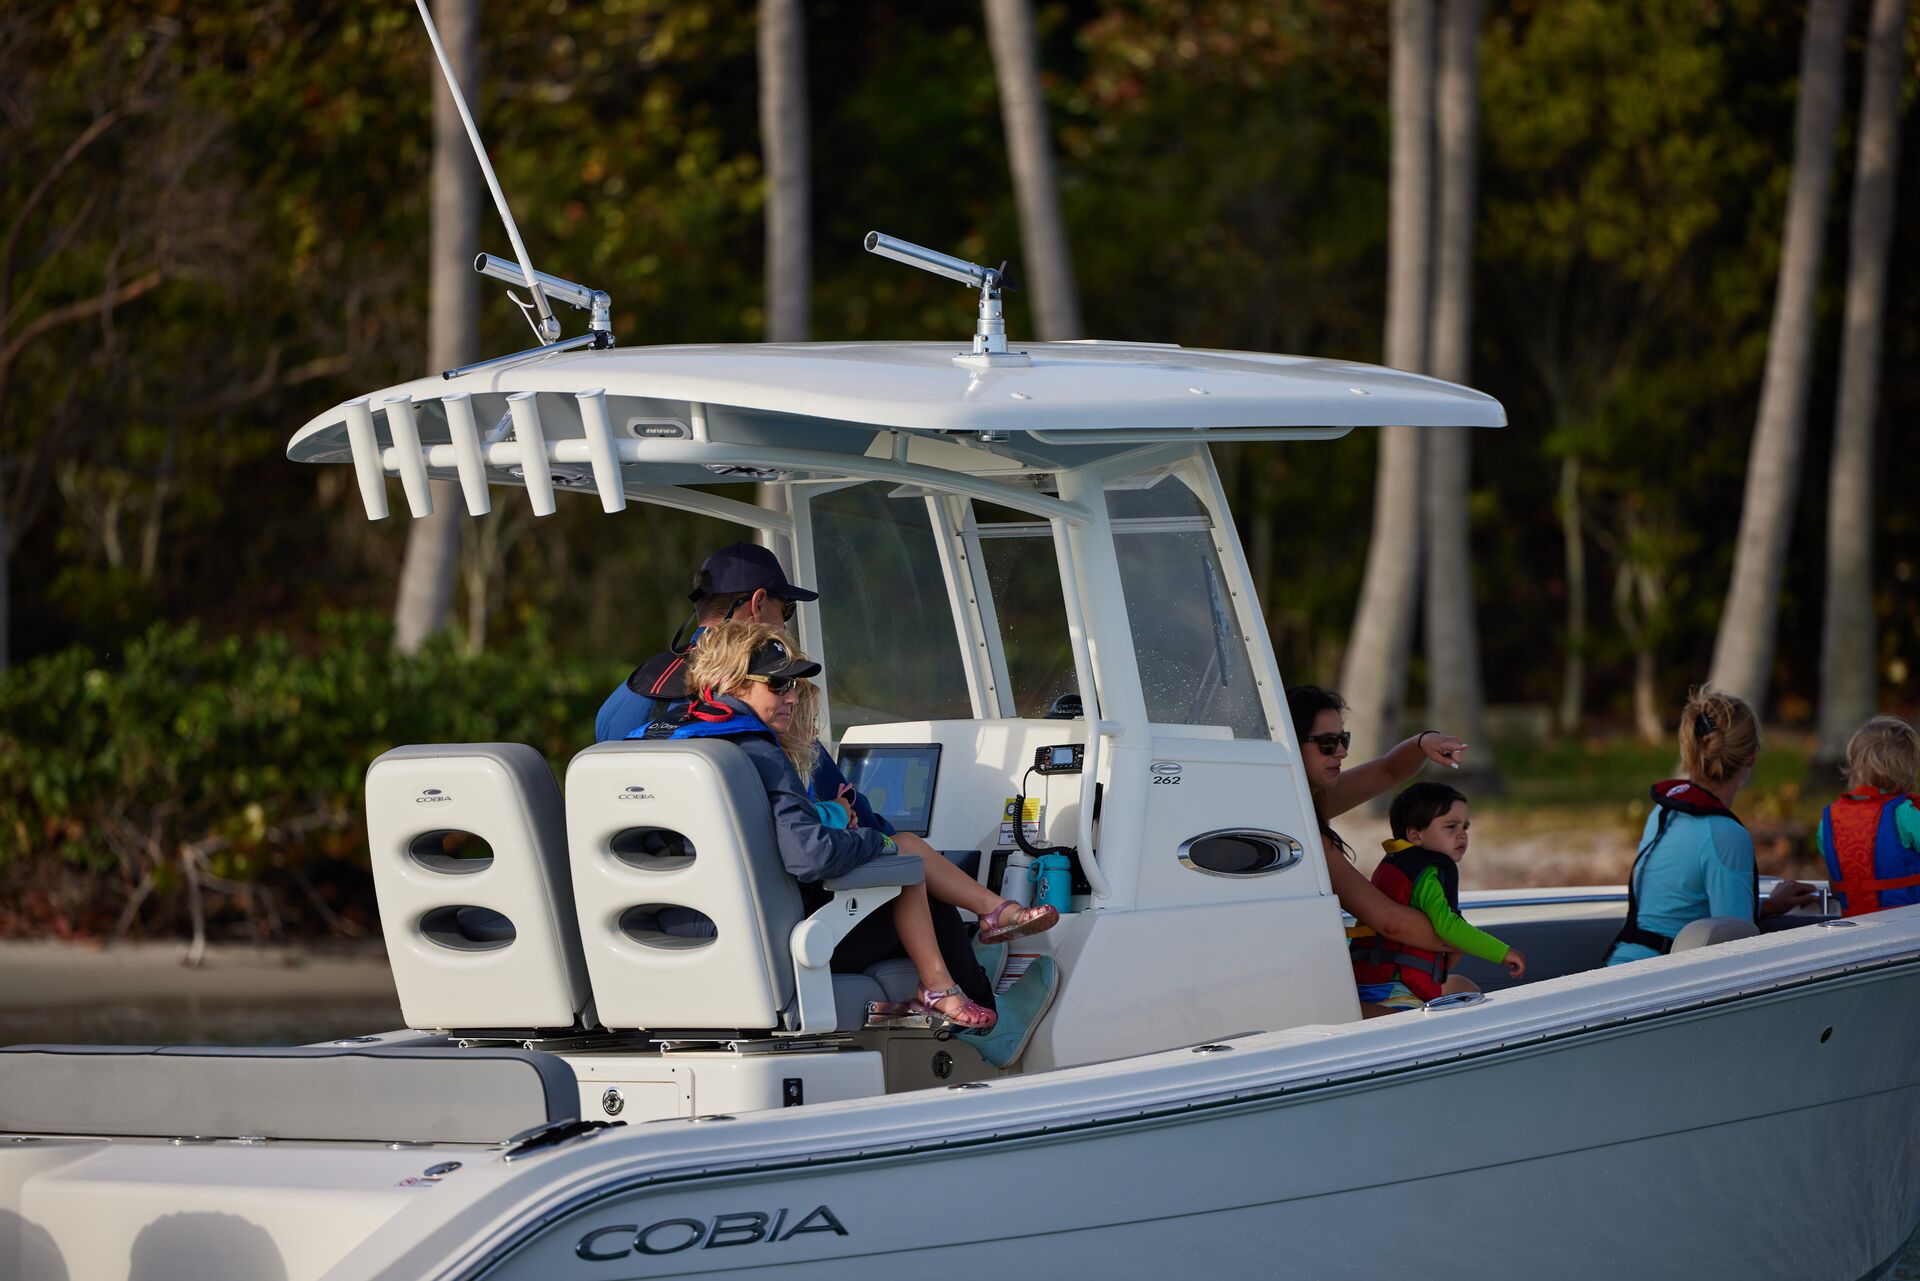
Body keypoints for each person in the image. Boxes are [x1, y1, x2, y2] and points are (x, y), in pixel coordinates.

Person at [652, 622, 1059, 1030]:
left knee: (903, 861)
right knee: (911, 876)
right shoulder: (758, 752)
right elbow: (809, 857)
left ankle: (981, 939)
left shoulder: (674, 747)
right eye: (777, 685)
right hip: (770, 945)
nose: (793, 696)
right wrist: (874, 843)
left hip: (686, 940)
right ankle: (991, 1024)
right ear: (729, 683)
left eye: (792, 685)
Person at [1285, 685, 1473, 1014]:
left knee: (1460, 989)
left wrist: (1422, 743)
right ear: (1289, 744)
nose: (1341, 752)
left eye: (1344, 740)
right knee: (1461, 1000)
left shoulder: (1304, 799)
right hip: (1303, 992)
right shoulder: (1296, 823)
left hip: (1305, 973)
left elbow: (1389, 770)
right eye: (1328, 744)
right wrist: (1464, 939)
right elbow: (1389, 921)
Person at [1606, 687, 1817, 965]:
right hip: (1658, 983)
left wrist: (1770, 906)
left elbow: (1683, 911)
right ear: (1752, 755)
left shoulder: (1663, 812)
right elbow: (1737, 945)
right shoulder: (1725, 834)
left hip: (1620, 968)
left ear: (1690, 750)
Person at [1351, 782, 1525, 1012]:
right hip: (1392, 990)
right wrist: (1503, 953)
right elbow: (1448, 928)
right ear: (1416, 835)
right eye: (1451, 826)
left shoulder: (1398, 865)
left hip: (1373, 979)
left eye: (1465, 826)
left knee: (1465, 987)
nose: (1462, 834)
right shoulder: (1426, 875)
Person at [1817, 715, 1920, 917]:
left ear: (1853, 764)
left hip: (1855, 925)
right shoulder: (1906, 813)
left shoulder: (1829, 819)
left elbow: (1835, 882)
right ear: (1908, 769)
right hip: (1910, 924)